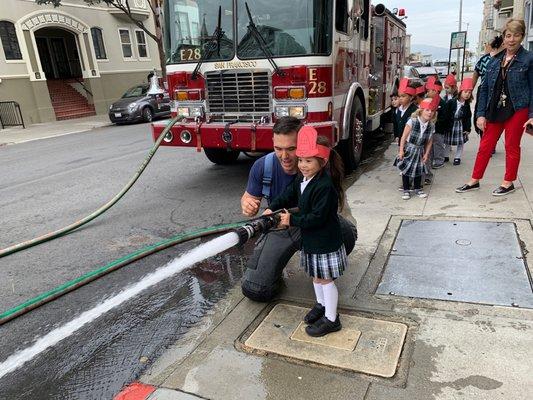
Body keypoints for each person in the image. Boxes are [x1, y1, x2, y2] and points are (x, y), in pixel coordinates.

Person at [240, 117, 357, 302]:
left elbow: (329, 213)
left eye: (291, 149)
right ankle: (276, 270)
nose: (284, 156)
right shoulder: (263, 166)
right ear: (272, 144)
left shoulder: (323, 167)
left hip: (319, 225)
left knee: (347, 233)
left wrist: (293, 218)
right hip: (282, 229)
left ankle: (325, 278)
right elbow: (250, 197)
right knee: (256, 289)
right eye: (278, 149)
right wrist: (249, 204)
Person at [266, 127, 347, 337]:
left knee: (325, 279)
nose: (302, 165)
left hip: (325, 241)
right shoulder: (301, 180)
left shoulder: (324, 187)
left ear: (322, 161)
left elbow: (317, 218)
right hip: (312, 242)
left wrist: (291, 219)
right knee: (316, 277)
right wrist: (271, 207)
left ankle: (332, 318)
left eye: (308, 161)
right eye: (301, 160)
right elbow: (287, 195)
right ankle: (321, 305)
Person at [456, 19, 533, 196]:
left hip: (518, 108)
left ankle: (508, 182)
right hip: (495, 109)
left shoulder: (528, 59)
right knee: (485, 145)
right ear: (503, 37)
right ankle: (474, 180)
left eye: (516, 35)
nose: (512, 39)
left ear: (522, 37)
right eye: (508, 36)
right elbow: (483, 89)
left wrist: (532, 113)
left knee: (512, 146)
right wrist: (480, 114)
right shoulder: (493, 61)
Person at [395, 97, 437, 200]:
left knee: (419, 170)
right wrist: (401, 151)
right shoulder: (412, 121)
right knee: (406, 170)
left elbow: (429, 141)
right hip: (409, 148)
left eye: (432, 111)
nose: (430, 113)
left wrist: (426, 154)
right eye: (427, 110)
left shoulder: (431, 125)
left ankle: (418, 189)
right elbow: (404, 137)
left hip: (420, 150)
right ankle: (406, 190)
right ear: (421, 110)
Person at [473, 36, 504, 137]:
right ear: (501, 45)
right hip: (497, 92)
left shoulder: (483, 59)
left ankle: (485, 137)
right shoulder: (503, 58)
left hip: (483, 90)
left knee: (483, 115)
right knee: (494, 117)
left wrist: (469, 91)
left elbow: (475, 76)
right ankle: (490, 140)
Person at [443, 78, 473, 166]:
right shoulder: (451, 102)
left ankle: (457, 157)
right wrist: (445, 125)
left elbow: (468, 117)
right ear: (461, 92)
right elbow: (446, 114)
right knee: (448, 141)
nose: (467, 94)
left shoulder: (466, 105)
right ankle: (446, 155)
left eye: (469, 92)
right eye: (465, 92)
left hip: (460, 126)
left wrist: (467, 128)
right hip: (451, 125)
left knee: (461, 142)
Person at [426, 77, 447, 169]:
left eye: (429, 91)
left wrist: (436, 123)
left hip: (438, 128)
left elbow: (444, 117)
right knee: (430, 145)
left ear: (435, 91)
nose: (427, 93)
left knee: (438, 144)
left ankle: (439, 161)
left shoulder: (442, 103)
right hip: (430, 128)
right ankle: (431, 160)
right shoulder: (429, 101)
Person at [393, 78, 418, 145]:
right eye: (399, 96)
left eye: (403, 96)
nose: (400, 98)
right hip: (401, 141)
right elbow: (396, 125)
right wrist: (397, 136)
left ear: (411, 97)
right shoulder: (398, 110)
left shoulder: (415, 110)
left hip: (411, 143)